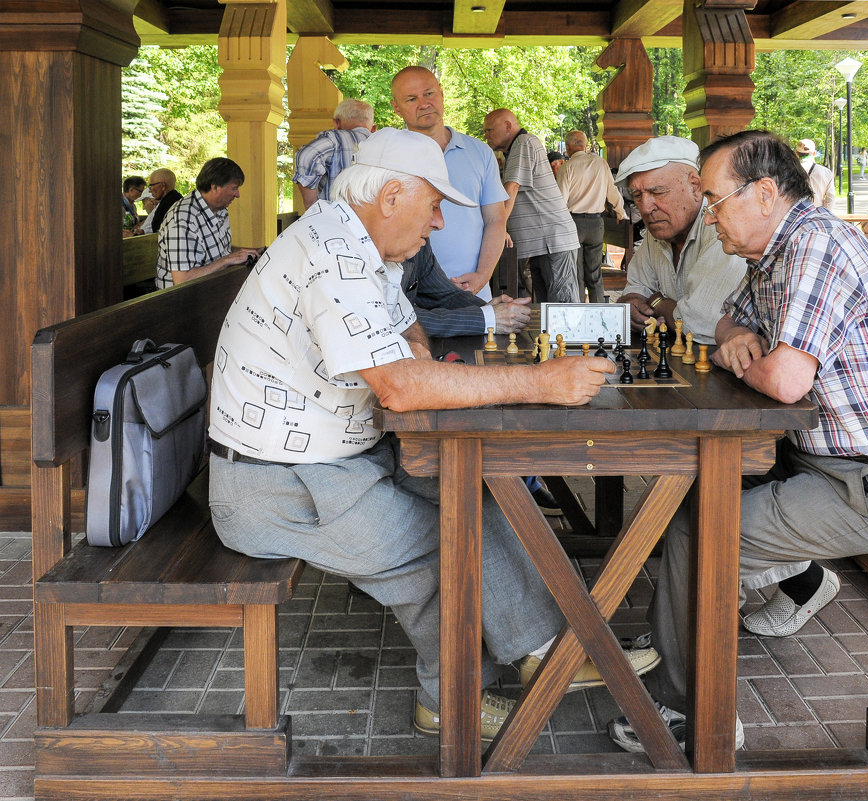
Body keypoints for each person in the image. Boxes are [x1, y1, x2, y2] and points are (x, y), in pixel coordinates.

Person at [207, 127, 658, 742]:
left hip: (336, 462)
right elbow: (398, 385)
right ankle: (451, 702)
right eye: (436, 204)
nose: (441, 223)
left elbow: (408, 329)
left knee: (474, 496)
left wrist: (412, 355)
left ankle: (544, 648)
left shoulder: (360, 244)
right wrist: (538, 382)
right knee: (439, 545)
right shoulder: (332, 253)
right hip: (276, 487)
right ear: (391, 196)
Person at [608, 130, 868, 755]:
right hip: (830, 466)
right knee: (687, 493)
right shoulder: (777, 250)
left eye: (714, 199)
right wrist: (744, 342)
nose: (710, 215)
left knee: (699, 524)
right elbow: (724, 322)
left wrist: (746, 357)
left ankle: (695, 711)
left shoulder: (815, 245)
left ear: (763, 193)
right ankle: (678, 656)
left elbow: (785, 381)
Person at [612, 136, 747, 343]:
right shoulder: (659, 228)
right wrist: (631, 303)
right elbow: (636, 288)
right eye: (637, 196)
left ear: (695, 185)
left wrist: (655, 300)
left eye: (657, 192)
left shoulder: (722, 229)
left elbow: (702, 323)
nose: (646, 208)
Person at [390, 67, 508, 300]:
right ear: (396, 107)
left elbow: (496, 219)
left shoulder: (479, 152)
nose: (423, 104)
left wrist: (482, 276)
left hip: (471, 290)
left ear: (442, 94)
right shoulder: (388, 156)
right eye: (411, 99)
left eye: (429, 93)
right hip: (409, 296)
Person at [483, 108, 580, 304]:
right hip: (543, 242)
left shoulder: (524, 142)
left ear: (508, 126)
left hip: (553, 240)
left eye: (489, 130)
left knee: (563, 309)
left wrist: (498, 227)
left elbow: (512, 187)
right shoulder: (517, 148)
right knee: (548, 309)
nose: (486, 136)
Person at [155, 157, 258, 289]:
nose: (237, 194)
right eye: (234, 188)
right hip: (180, 302)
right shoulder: (183, 219)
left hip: (211, 289)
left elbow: (219, 251)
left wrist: (250, 252)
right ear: (214, 186)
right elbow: (182, 280)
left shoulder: (219, 210)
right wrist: (228, 260)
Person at [399, 240, 531, 338]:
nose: (440, 223)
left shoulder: (420, 242)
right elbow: (399, 320)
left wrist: (494, 311)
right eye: (433, 207)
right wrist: (486, 318)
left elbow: (445, 295)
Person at [555, 130, 627, 303]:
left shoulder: (567, 168)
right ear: (585, 145)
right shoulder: (601, 164)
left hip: (574, 224)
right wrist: (621, 212)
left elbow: (561, 202)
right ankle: (599, 312)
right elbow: (612, 191)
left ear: (569, 147)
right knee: (595, 274)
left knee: (577, 274)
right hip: (596, 223)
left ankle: (578, 313)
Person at [293, 98, 375, 210]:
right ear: (374, 128)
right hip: (374, 224)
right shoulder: (384, 144)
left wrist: (311, 206)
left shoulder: (334, 140)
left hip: (336, 221)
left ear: (336, 123)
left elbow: (307, 156)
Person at [794, 139, 835, 210]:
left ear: (796, 153)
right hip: (816, 214)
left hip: (795, 216)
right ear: (814, 153)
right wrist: (823, 215)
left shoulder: (788, 171)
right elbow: (830, 199)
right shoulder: (826, 172)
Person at [145, 168, 182, 234]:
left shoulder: (170, 204)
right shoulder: (171, 199)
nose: (150, 190)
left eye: (151, 185)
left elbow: (160, 233)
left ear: (163, 186)